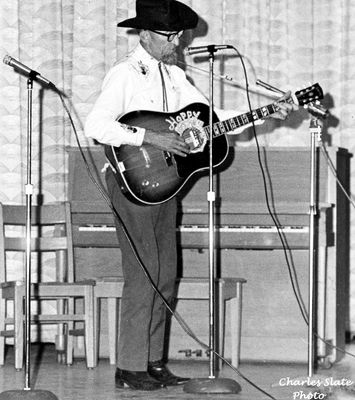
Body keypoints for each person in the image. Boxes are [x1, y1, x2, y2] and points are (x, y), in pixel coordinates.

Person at [84, 0, 297, 391]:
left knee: (165, 274)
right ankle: (129, 367)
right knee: (143, 273)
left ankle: (151, 362)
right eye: (169, 35)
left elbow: (214, 119)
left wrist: (265, 111)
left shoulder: (174, 74)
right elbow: (96, 124)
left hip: (164, 184)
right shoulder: (125, 73)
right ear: (144, 33)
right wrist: (149, 136)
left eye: (179, 34)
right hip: (132, 182)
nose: (177, 42)